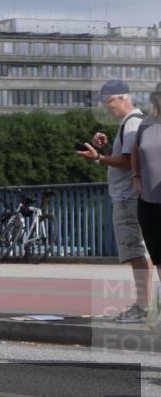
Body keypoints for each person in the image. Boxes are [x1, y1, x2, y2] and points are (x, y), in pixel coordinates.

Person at [77, 79, 152, 323]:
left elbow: (128, 161)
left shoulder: (132, 124)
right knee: (138, 251)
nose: (106, 107)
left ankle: (143, 307)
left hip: (128, 197)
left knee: (135, 252)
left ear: (123, 98)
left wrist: (98, 157)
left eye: (108, 101)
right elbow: (126, 156)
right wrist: (108, 147)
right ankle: (146, 306)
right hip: (134, 196)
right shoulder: (133, 122)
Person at [131, 81, 161, 331]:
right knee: (158, 257)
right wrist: (136, 176)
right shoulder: (145, 124)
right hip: (148, 201)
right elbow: (135, 150)